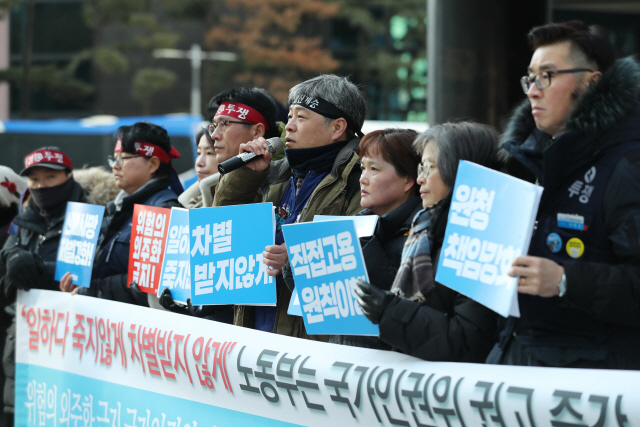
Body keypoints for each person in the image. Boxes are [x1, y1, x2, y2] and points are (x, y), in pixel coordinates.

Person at [485, 21, 640, 370]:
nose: (533, 91)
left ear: (591, 82)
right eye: (530, 78)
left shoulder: (628, 166)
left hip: (592, 391)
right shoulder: (524, 162)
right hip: (516, 370)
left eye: (548, 76)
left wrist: (567, 280)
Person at [214, 74, 367, 339]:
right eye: (290, 116)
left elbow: (362, 262)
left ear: (337, 127)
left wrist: (299, 258)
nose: (289, 127)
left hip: (312, 347)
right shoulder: (276, 174)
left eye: (301, 117)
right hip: (256, 333)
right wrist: (248, 175)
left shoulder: (359, 181)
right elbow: (222, 227)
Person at [355, 123, 501, 362]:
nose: (420, 179)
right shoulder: (425, 231)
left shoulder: (480, 242)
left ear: (460, 173)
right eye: (421, 167)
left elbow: (467, 341)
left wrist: (389, 311)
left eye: (430, 168)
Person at [1, 148, 85, 425]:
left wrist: (38, 269)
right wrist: (15, 258)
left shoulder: (87, 216)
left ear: (69, 176)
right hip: (24, 338)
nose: (42, 185)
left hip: (68, 343)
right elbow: (9, 256)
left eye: (50, 176)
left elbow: (82, 273)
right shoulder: (24, 219)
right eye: (35, 180)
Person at [61, 122, 182, 307]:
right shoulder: (120, 207)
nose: (115, 167)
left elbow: (148, 286)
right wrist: (78, 279)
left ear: (153, 164)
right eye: (114, 159)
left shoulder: (161, 210)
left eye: (123, 158)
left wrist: (96, 290)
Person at [330, 128, 422, 349]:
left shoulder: (423, 233)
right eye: (363, 168)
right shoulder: (360, 224)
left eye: (374, 169)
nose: (363, 179)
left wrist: (359, 243)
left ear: (408, 180)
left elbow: (400, 302)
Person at [178, 128, 220, 209]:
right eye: (199, 153)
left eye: (209, 153)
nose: (199, 162)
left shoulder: (234, 203)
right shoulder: (191, 204)